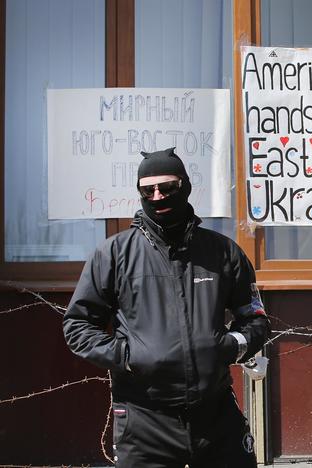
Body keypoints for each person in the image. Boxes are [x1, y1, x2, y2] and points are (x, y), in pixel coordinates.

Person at [63, 147, 270, 468]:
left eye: (168, 188)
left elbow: (256, 319)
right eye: (148, 190)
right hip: (143, 419)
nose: (158, 196)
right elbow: (78, 326)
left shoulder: (222, 252)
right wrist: (127, 355)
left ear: (185, 186)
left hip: (215, 415)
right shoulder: (114, 255)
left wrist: (230, 347)